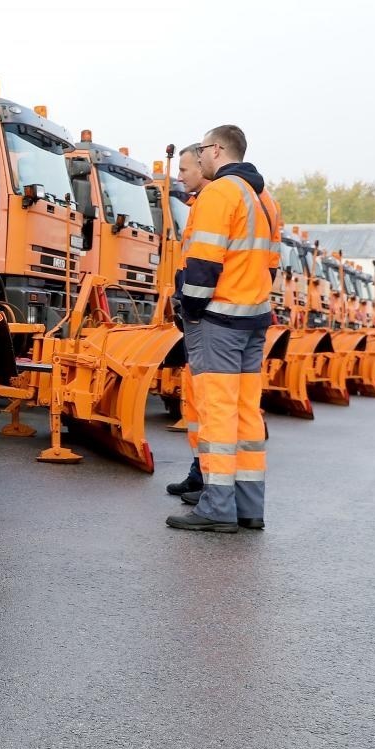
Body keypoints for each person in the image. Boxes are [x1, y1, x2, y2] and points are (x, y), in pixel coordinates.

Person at [167, 124, 280, 533]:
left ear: (215, 150)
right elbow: (270, 264)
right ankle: (249, 507)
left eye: (200, 151)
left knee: (216, 411)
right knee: (247, 413)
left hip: (218, 319)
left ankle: (216, 507)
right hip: (254, 318)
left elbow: (203, 266)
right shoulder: (266, 199)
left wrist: (189, 307)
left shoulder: (219, 193)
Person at [166, 144, 208, 498]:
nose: (179, 177)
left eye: (184, 169)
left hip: (210, 318)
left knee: (211, 404)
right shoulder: (198, 206)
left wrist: (188, 304)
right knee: (198, 401)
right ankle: (201, 472)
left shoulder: (214, 204)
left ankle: (212, 482)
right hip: (208, 316)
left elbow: (205, 265)